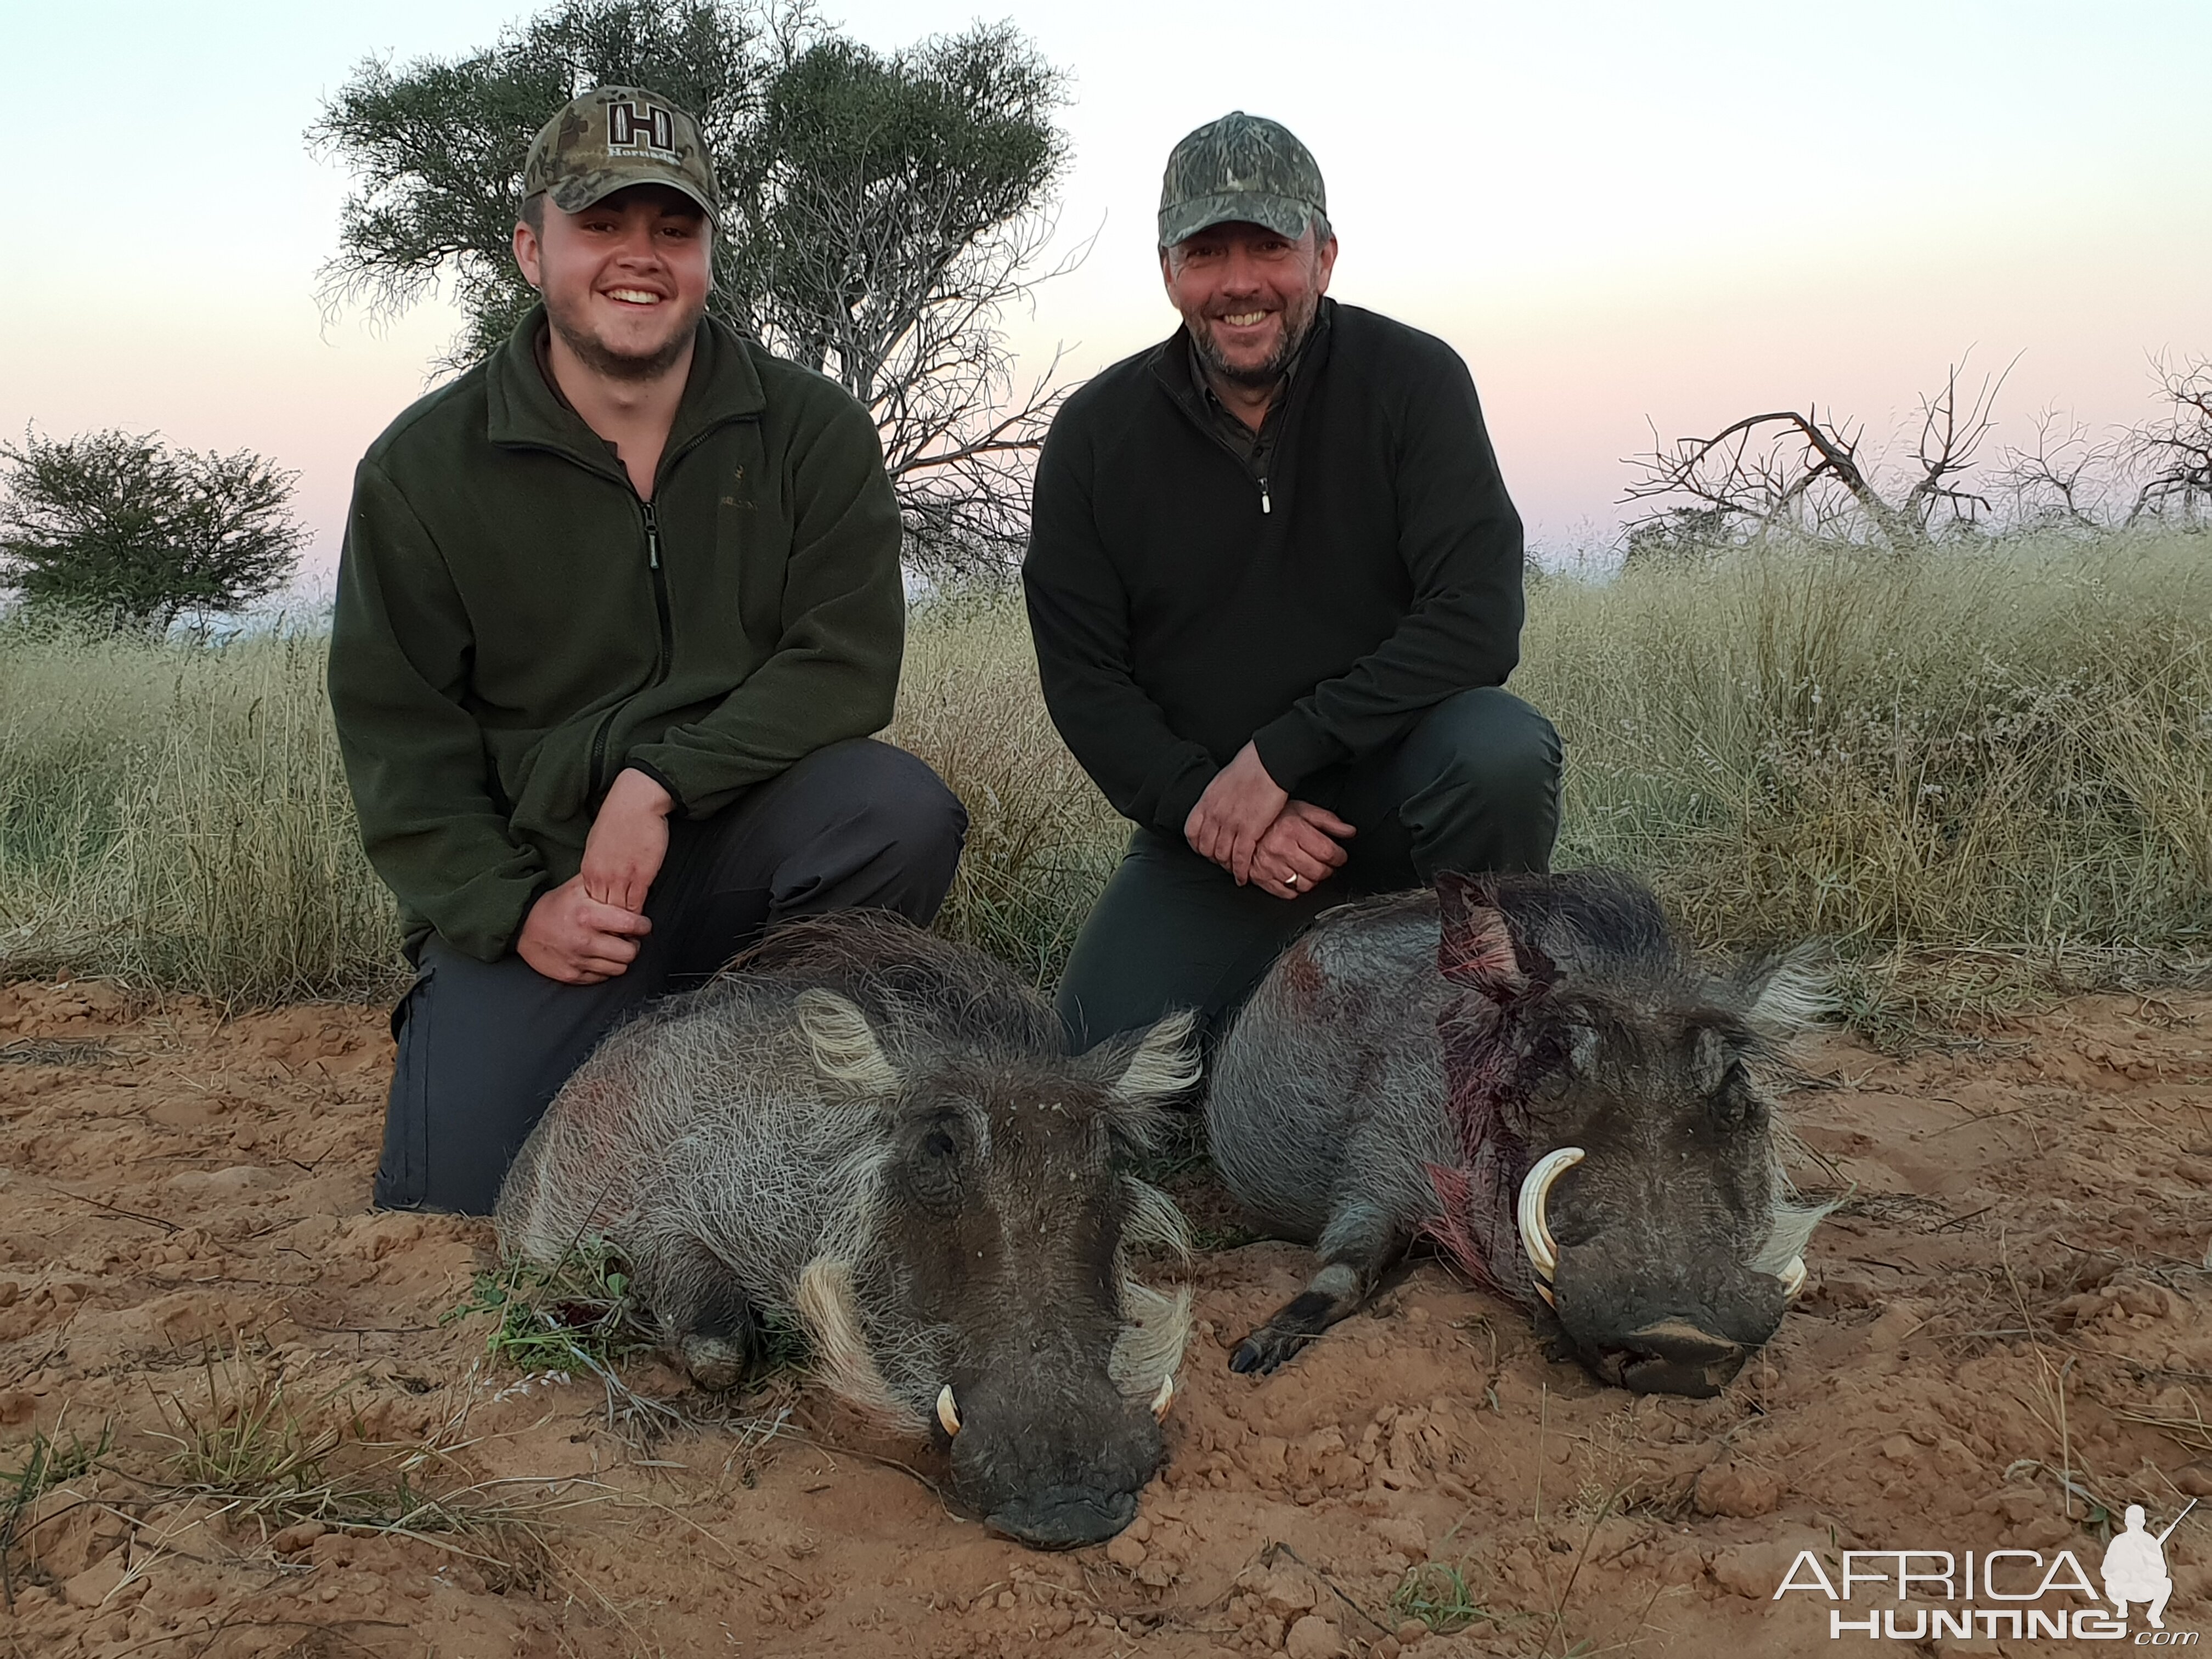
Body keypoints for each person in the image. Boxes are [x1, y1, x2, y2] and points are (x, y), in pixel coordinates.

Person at [330, 86, 967, 1215]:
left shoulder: (812, 430)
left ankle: (778, 1078)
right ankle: (571, 1039)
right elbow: (404, 745)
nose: (642, 258)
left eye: (674, 230)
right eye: (603, 227)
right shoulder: (421, 470)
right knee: (460, 1203)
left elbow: (846, 662)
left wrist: (664, 778)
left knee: (896, 810)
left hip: (740, 851)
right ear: (534, 250)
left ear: (711, 254)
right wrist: (516, 907)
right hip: (550, 889)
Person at [1023, 111, 1559, 1048]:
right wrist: (1205, 805)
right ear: (1166, 270)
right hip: (1215, 839)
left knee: (1497, 751)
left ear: (1323, 255)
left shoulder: (1415, 381)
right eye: (1205, 251)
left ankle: (1482, 1007)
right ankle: (1295, 991)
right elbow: (1084, 682)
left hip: (1398, 799)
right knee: (1094, 1068)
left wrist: (1276, 758)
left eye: (1268, 245)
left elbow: (1476, 617)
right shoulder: (1094, 435)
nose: (1239, 282)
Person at [2101, 1503, 2176, 1629]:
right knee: (2110, 1584)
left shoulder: (2150, 1542)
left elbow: (2162, 1571)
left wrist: (2148, 1560)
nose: (2135, 1525)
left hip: (2143, 1589)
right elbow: (2105, 1570)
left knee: (2166, 1583)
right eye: (2132, 1522)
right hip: (2122, 1589)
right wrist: (2118, 1575)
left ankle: (2154, 1615)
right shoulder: (2119, 1542)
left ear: (2143, 1522)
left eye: (2137, 1522)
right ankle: (2122, 1606)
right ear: (2126, 1522)